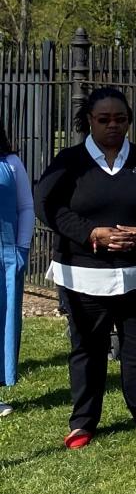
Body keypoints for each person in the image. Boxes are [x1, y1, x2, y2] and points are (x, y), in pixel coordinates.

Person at [32, 89, 136, 446]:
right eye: (104, 120)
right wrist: (90, 233)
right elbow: (46, 205)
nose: (113, 126)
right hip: (83, 272)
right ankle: (83, 421)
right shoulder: (70, 161)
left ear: (130, 121)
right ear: (89, 122)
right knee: (87, 348)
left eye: (120, 119)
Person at [0, 121, 33, 418]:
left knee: (3, 322)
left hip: (6, 256)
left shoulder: (11, 164)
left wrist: (21, 249)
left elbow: (26, 206)